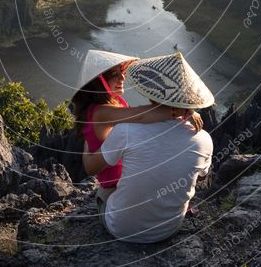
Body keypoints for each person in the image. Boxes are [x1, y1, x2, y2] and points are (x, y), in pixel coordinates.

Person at [83, 51, 214, 243]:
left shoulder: (126, 131)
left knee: (104, 191)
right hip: (170, 228)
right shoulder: (204, 139)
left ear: (150, 92)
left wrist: (87, 144)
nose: (122, 78)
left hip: (120, 229)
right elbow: (201, 176)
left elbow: (90, 168)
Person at [71, 49, 202, 190]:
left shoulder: (113, 101)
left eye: (122, 72)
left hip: (125, 175)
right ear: (98, 82)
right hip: (116, 185)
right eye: (114, 74)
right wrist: (183, 109)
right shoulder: (101, 112)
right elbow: (141, 115)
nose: (122, 77)